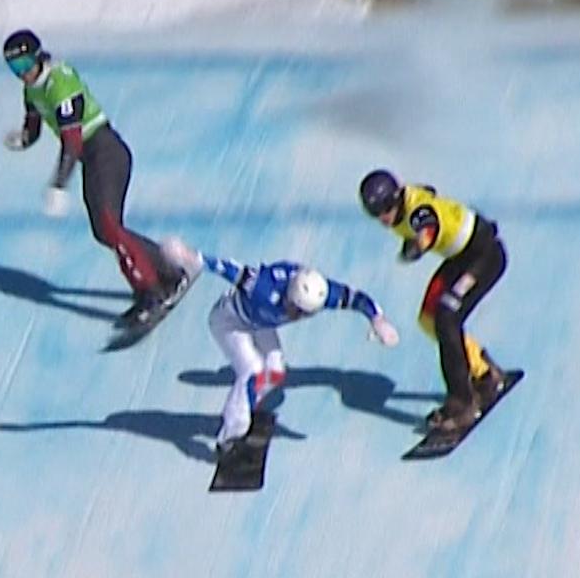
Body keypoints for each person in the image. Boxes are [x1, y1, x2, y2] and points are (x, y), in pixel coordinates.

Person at [0, 29, 187, 329]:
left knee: (110, 227)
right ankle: (169, 272)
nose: (20, 73)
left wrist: (59, 183)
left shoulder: (59, 82)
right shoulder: (31, 90)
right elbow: (33, 128)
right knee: (104, 232)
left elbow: (72, 140)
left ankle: (151, 292)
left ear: (37, 56)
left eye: (23, 65)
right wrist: (21, 139)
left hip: (105, 150)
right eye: (13, 68)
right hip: (93, 158)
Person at [160, 237, 400, 460]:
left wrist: (378, 320)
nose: (298, 317)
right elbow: (227, 268)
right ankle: (229, 438)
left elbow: (356, 297)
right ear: (289, 295)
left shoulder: (319, 292)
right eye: (297, 310)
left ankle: (246, 403)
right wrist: (191, 256)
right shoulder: (263, 287)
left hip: (261, 323)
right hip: (229, 322)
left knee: (275, 372)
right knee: (253, 371)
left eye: (306, 314)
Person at [357, 169, 509, 434]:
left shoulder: (418, 212)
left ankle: (463, 402)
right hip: (460, 257)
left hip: (484, 256)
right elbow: (428, 189)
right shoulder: (404, 200)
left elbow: (426, 222)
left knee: (446, 318)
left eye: (386, 208)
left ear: (397, 197)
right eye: (375, 213)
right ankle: (484, 373)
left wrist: (418, 245)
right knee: (428, 320)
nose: (383, 217)